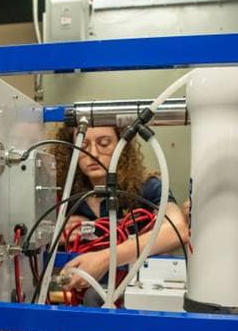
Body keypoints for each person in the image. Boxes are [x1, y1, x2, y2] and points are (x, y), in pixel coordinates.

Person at [53, 124, 190, 294]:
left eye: (104, 143)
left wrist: (104, 259)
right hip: (81, 301)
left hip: (136, 298)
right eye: (83, 146)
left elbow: (178, 230)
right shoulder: (65, 197)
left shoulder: (147, 188)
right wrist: (54, 237)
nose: (93, 154)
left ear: (121, 146)